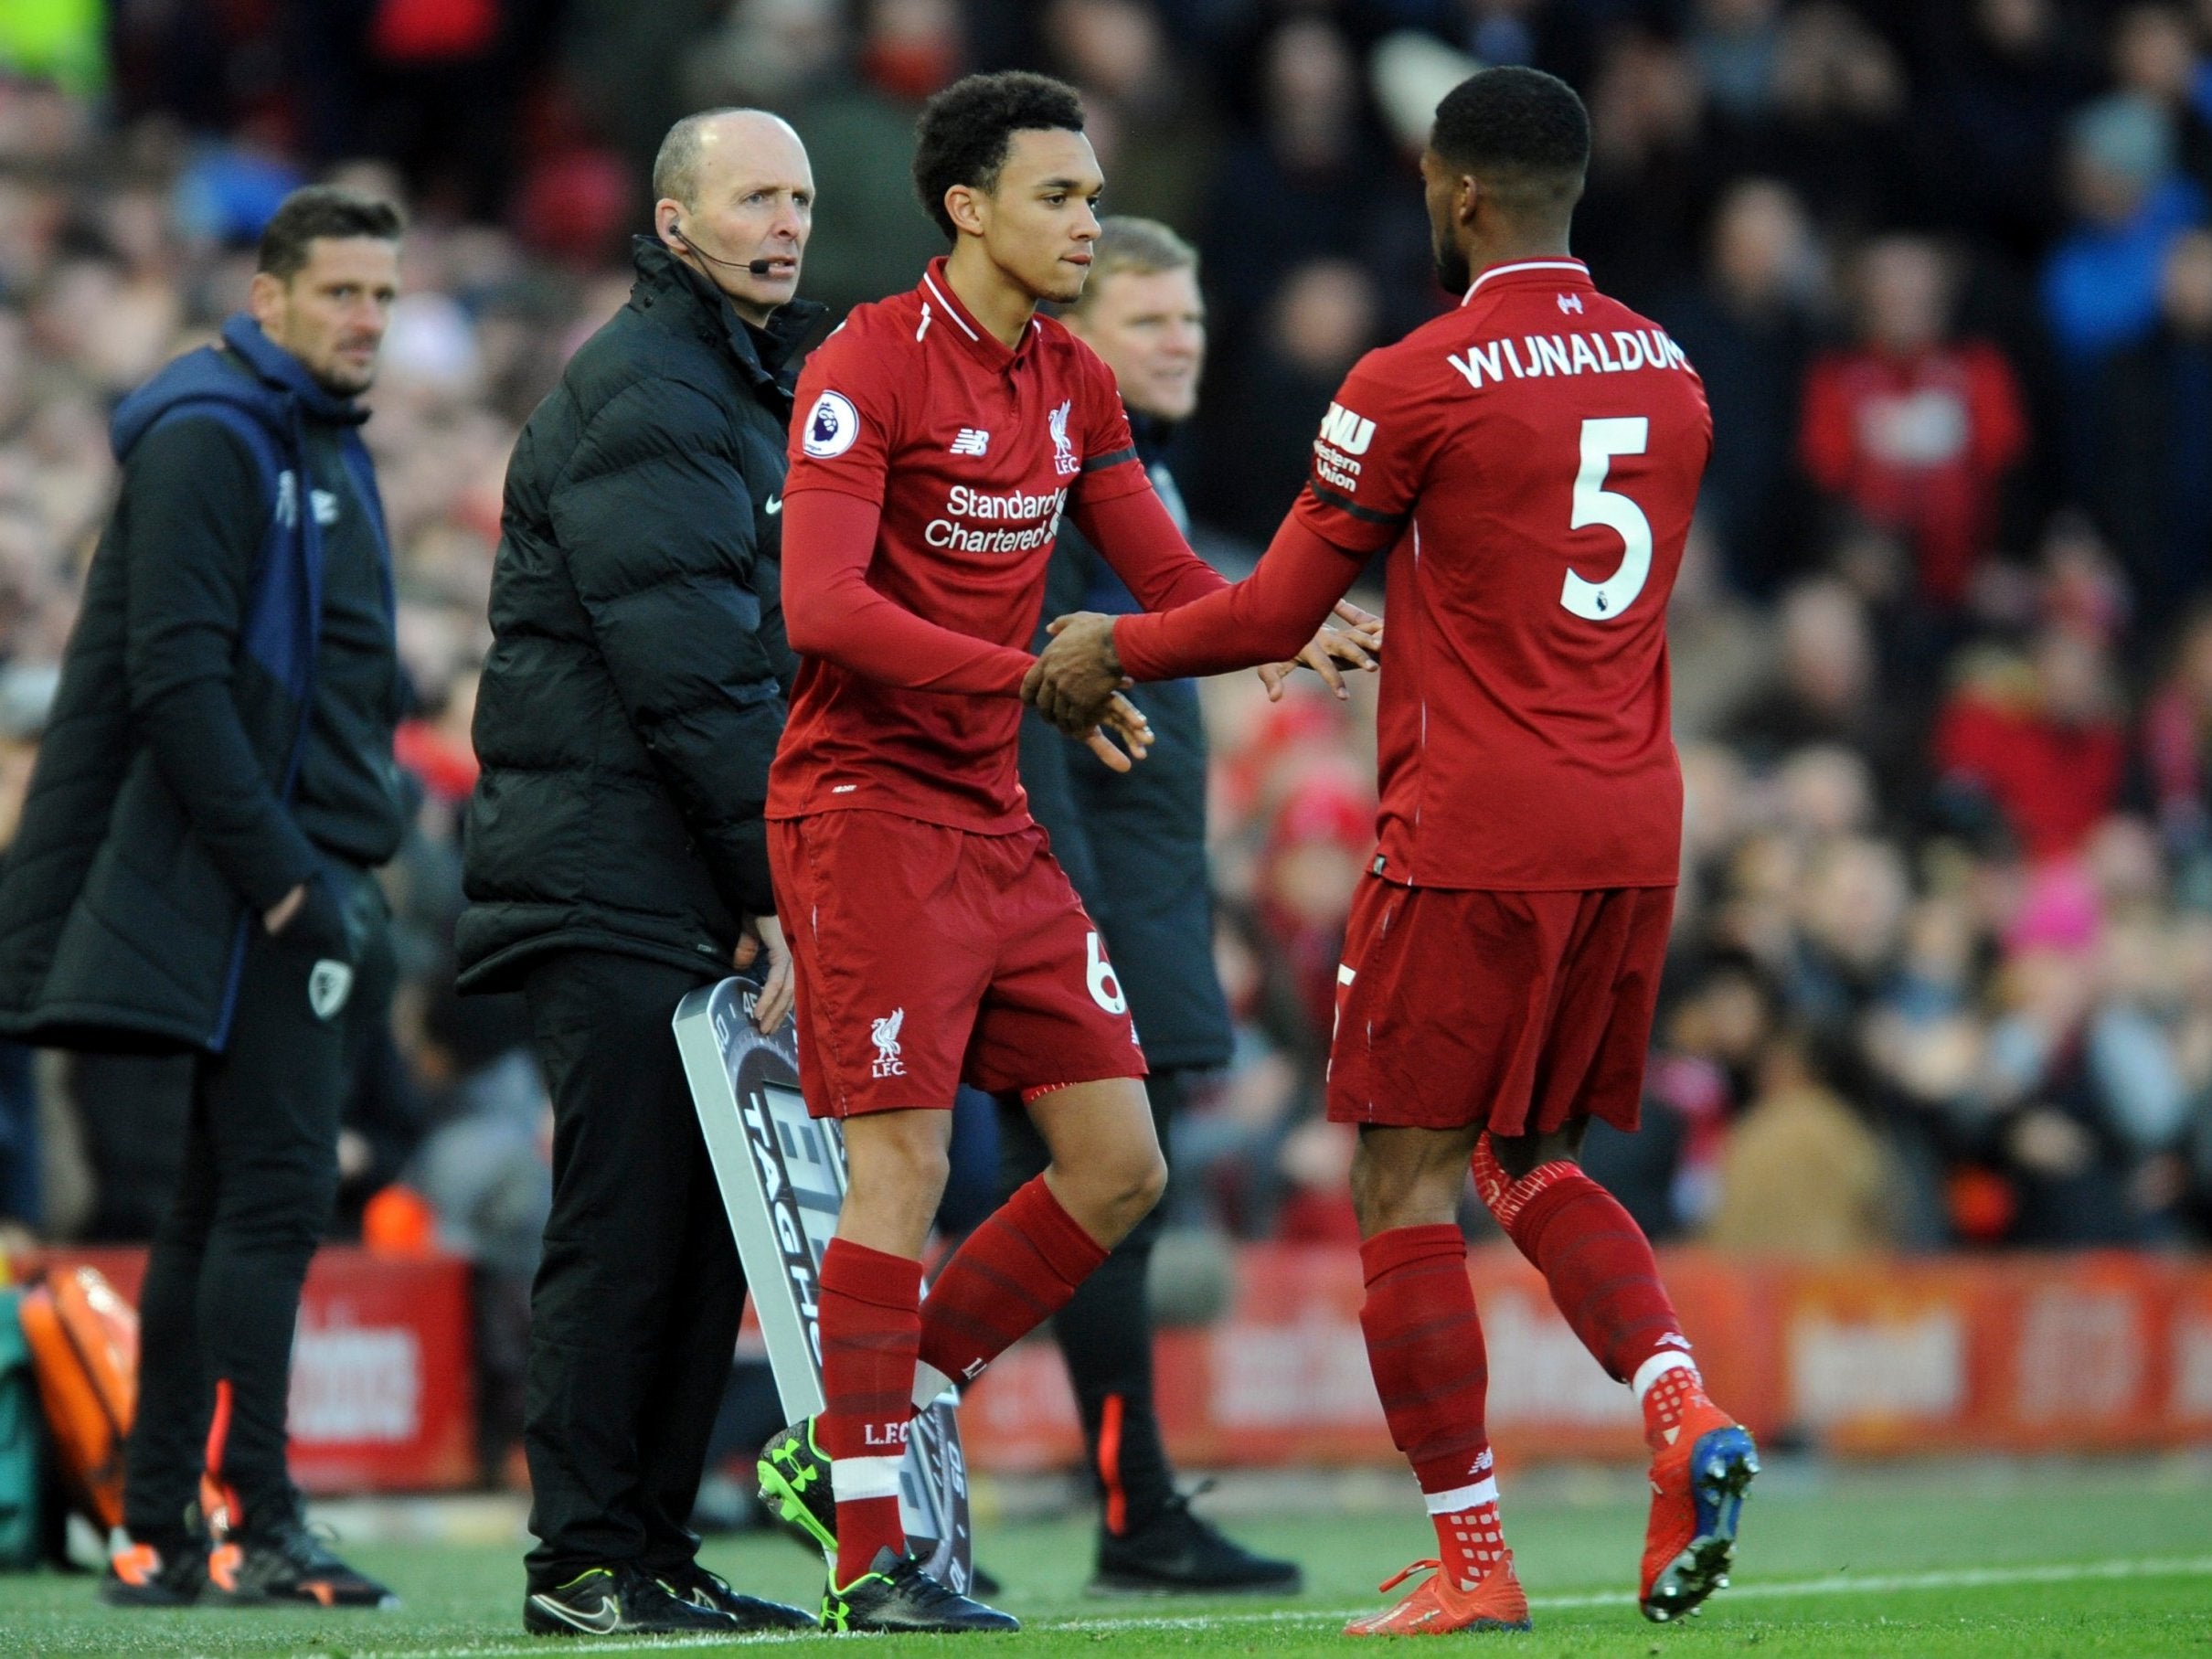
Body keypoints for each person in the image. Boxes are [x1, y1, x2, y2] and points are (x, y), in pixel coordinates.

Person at [1028, 67, 1757, 1633]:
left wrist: (1110, 646)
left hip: (1477, 826)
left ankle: (1474, 1558)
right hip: (1634, 820)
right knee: (1529, 1153)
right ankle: (1682, 1402)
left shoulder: (1415, 376)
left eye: (1430, 180)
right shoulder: (1677, 371)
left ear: (1462, 191)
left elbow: (1278, 610)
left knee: (1400, 1176)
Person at [754, 70, 1369, 1634]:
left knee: (1120, 1167)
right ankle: (871, 1550)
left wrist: (1285, 617)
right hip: (868, 812)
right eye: (1062, 197)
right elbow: (822, 611)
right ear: (968, 207)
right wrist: (1032, 675)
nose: (1090, 219)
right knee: (895, 1172)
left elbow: (1161, 579)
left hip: (996, 822)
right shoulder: (865, 365)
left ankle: (870, 1427)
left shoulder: (1072, 384)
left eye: (1096, 195)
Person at [0, 186, 409, 1610]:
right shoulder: (213, 439)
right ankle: (252, 1518)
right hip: (258, 883)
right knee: (273, 1202)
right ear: (272, 294)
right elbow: (173, 677)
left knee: (218, 1203)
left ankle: (166, 1525)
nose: (366, 317)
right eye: (342, 291)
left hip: (297, 868)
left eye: (383, 295)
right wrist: (287, 876)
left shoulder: (304, 434)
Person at [455, 108, 819, 1639]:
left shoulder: (741, 388)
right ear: (674, 222)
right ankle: (584, 1562)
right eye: (753, 196)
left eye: (800, 196)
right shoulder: (648, 392)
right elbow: (692, 675)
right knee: (621, 1224)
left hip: (674, 869)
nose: (787, 221)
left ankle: (653, 1551)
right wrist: (777, 881)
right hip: (614, 866)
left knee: (698, 1227)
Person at [996, 215, 1299, 1596]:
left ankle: (1133, 1500)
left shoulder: (1143, 482)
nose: (1184, 340)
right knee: (1088, 1205)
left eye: (1191, 319)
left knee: (1113, 1211)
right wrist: (1077, 922)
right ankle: (1125, 1508)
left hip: (1154, 892)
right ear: (1078, 340)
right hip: (1093, 900)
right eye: (1151, 320)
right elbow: (1032, 713)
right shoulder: (1057, 487)